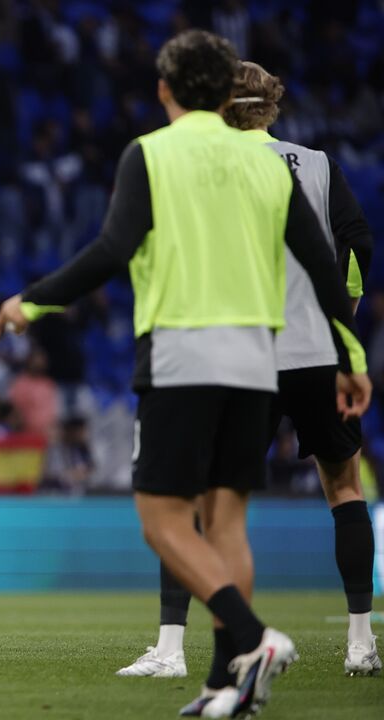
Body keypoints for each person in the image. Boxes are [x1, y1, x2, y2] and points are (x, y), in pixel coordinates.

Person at [0, 31, 371, 718]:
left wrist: (34, 300)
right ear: (226, 91)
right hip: (258, 359)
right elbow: (324, 263)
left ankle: (253, 641)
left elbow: (113, 249)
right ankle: (228, 685)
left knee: (165, 521)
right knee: (228, 524)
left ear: (165, 90)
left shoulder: (153, 154)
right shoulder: (273, 167)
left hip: (182, 358)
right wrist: (351, 356)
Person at [117, 60, 379, 680]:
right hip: (316, 352)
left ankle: (174, 649)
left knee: (201, 505)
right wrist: (341, 316)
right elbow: (357, 242)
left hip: (240, 356)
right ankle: (362, 643)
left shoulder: (206, 166)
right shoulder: (315, 163)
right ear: (272, 106)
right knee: (344, 487)